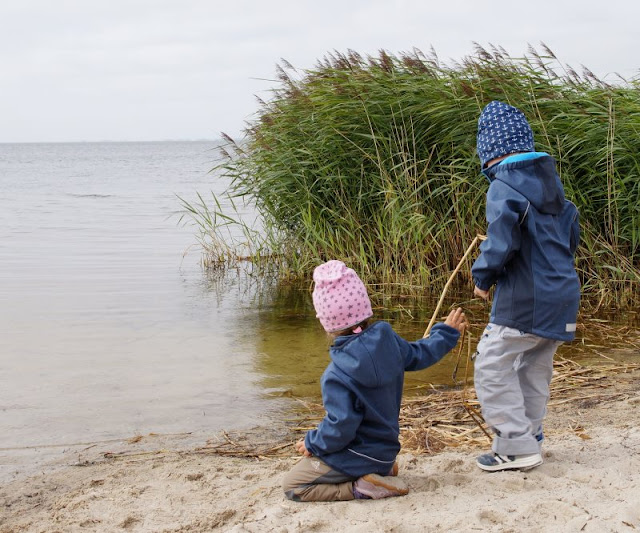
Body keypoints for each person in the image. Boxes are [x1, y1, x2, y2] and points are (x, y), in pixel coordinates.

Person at [282, 260, 467, 501]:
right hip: (386, 452)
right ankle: (381, 470)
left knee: (293, 485)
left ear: (325, 322)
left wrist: (313, 443)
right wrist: (446, 333)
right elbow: (421, 354)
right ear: (364, 306)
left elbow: (341, 427)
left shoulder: (336, 375)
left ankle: (359, 489)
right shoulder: (389, 342)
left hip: (359, 454)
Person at [471, 100, 581, 472]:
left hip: (527, 298)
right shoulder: (556, 191)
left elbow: (501, 240)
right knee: (533, 367)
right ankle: (530, 437)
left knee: (491, 363)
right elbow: (570, 239)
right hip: (563, 294)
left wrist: (482, 277)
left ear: (491, 154)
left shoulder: (504, 186)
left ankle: (516, 446)